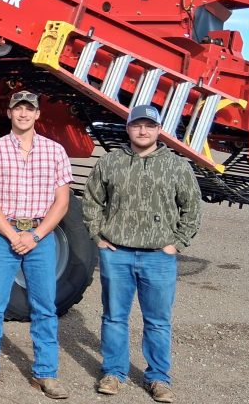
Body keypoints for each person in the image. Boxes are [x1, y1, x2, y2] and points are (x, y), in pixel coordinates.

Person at [82, 105, 202, 403]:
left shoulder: (176, 166)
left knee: (158, 321)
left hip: (158, 257)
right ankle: (113, 372)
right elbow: (92, 200)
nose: (143, 131)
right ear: (128, 128)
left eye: (149, 125)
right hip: (117, 253)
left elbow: (192, 208)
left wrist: (177, 243)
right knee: (114, 317)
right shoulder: (110, 162)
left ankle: (158, 377)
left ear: (159, 130)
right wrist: (97, 236)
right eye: (137, 125)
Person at [0, 90, 73, 400]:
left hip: (41, 236)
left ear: (38, 114)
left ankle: (46, 373)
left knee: (45, 307)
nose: (23, 114)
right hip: (3, 235)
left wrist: (36, 235)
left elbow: (62, 202)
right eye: (18, 108)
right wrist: (13, 236)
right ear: (9, 113)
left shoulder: (55, 151)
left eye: (29, 109)